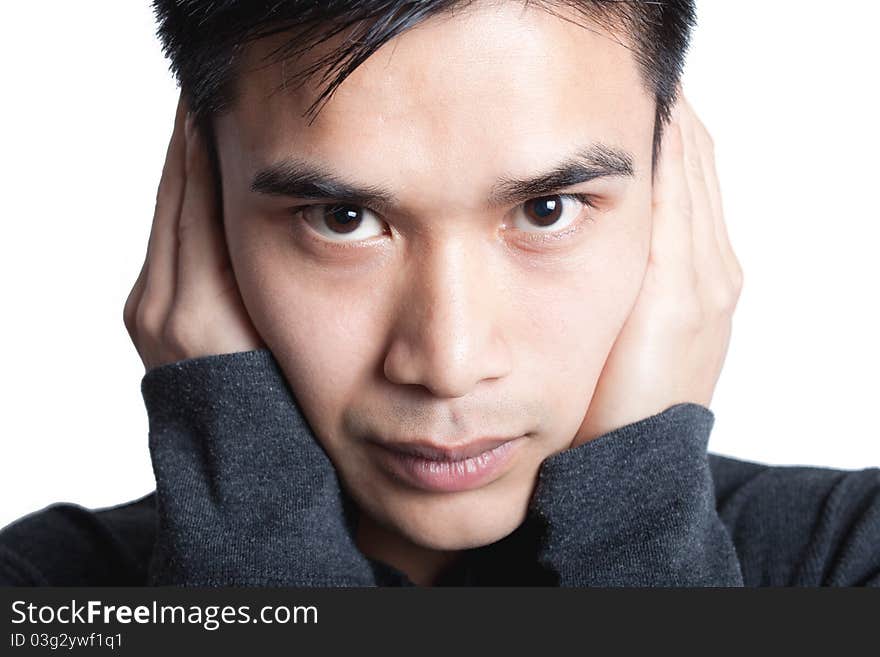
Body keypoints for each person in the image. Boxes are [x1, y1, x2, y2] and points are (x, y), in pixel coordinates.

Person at [1, 0, 877, 587]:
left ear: (672, 181)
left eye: (547, 208)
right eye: (341, 217)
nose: (448, 363)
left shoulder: (848, 560)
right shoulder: (42, 593)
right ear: (199, 200)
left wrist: (638, 519)